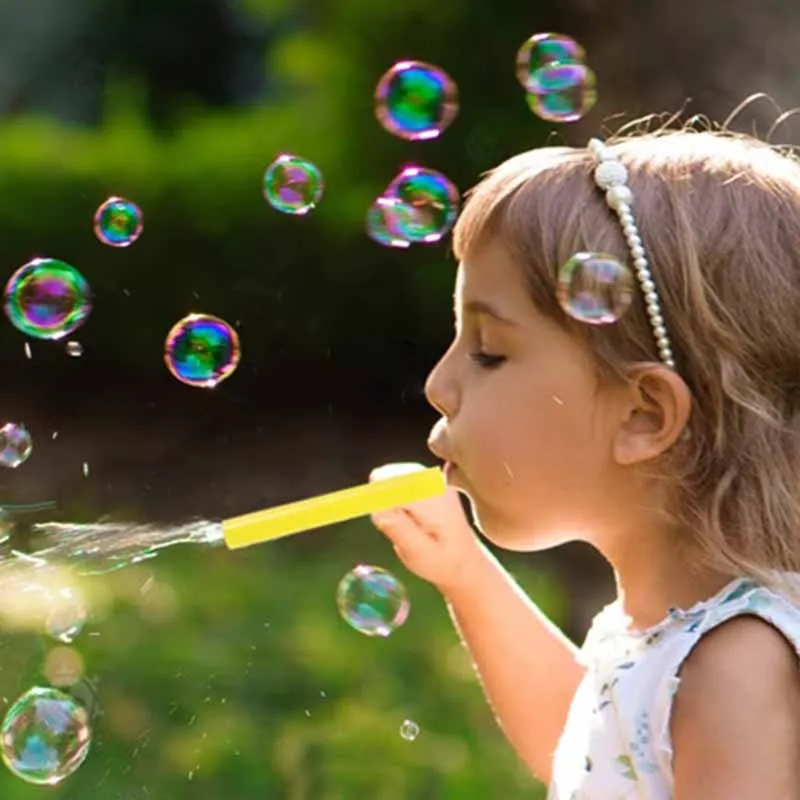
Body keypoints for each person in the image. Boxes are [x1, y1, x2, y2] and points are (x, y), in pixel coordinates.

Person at [370, 120, 800, 799]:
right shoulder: (663, 632)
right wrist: (466, 575)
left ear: (643, 415)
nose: (438, 384)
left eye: (487, 352)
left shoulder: (738, 666)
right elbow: (587, 751)